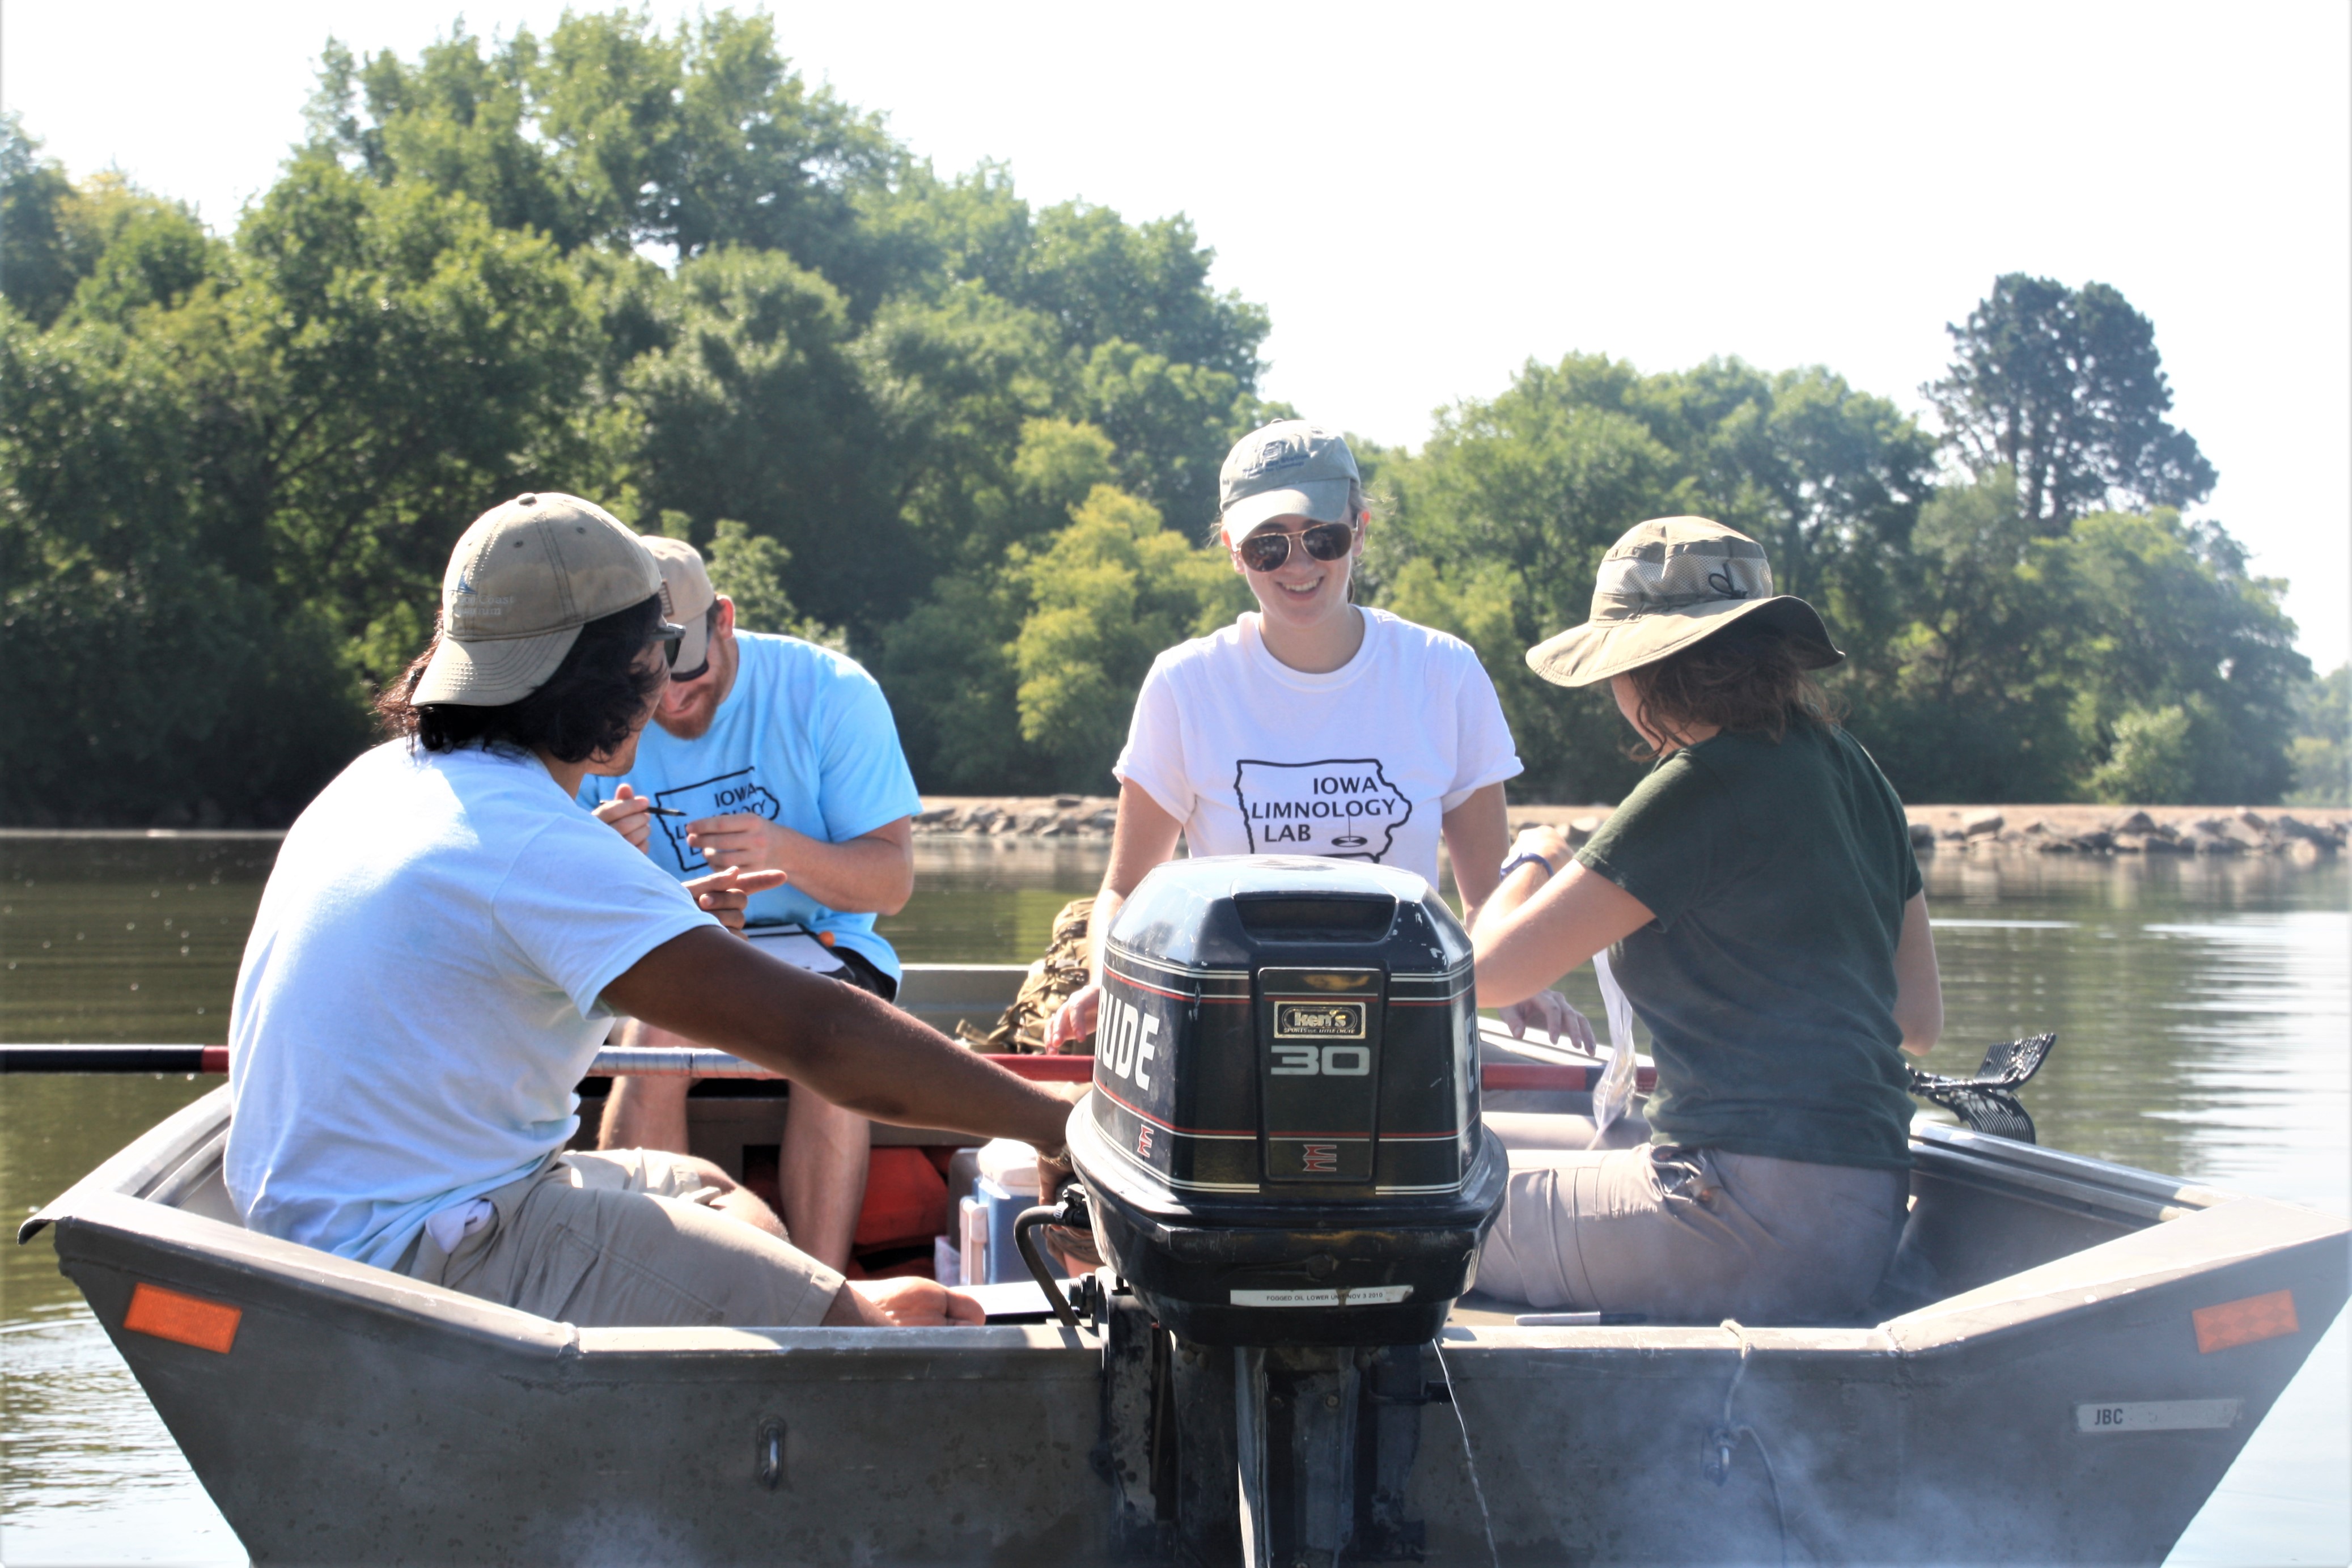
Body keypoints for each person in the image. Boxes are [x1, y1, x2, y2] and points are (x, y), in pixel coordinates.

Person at [223, 492, 1074, 1330]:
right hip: (422, 1254)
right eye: (660, 647)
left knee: (715, 1198)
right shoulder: (535, 843)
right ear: (612, 676)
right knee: (880, 1336)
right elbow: (823, 1038)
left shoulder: (380, 778)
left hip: (347, 1228)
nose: (669, 676)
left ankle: (817, 1307)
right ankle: (845, 1327)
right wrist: (1056, 1126)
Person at [1466, 516, 1944, 1325]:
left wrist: (1533, 855)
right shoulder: (1850, 766)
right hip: (1859, 1214)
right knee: (1455, 1146)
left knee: (1398, 1200)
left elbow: (1488, 971)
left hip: (1736, 1219)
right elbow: (1916, 1021)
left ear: (1640, 667)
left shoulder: (1703, 782)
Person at [1048, 419, 1592, 1053]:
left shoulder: (1444, 672)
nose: (1298, 565)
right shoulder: (1185, 683)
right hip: (1227, 1028)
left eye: (1322, 538)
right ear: (1232, 548)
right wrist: (1108, 979)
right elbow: (1126, 890)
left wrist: (1520, 980)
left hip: (1403, 1026)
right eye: (1267, 546)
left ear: (1360, 532)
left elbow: (1482, 906)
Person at [577, 539, 918, 1272]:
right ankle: (650, 1288)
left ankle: (818, 1306)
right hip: (670, 956)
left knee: (833, 1030)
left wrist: (785, 852)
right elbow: (553, 902)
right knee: (658, 1027)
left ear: (724, 619)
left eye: (689, 670)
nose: (669, 701)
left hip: (821, 949)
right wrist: (604, 863)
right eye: (646, 687)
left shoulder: (829, 690)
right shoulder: (587, 713)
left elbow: (891, 883)